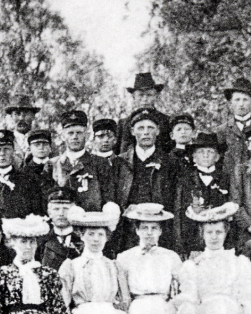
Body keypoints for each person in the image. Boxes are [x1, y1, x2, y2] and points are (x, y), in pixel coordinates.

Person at [175, 202, 251, 314]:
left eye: (219, 232)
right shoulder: (193, 266)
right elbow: (188, 301)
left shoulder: (238, 263)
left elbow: (248, 298)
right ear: (202, 234)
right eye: (209, 232)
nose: (214, 237)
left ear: (226, 233)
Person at [116, 204, 184, 314]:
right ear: (137, 230)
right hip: (138, 308)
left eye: (154, 228)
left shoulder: (171, 257)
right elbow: (124, 293)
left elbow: (181, 287)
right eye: (144, 228)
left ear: (160, 231)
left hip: (164, 308)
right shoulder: (125, 257)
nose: (149, 233)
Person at [116, 107, 179, 251]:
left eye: (150, 128)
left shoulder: (170, 162)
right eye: (141, 128)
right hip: (128, 231)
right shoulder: (120, 162)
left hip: (161, 230)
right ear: (132, 131)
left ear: (158, 131)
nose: (145, 132)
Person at [0, 129, 45, 249]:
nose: (2, 154)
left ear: (13, 151)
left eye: (6, 149)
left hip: (20, 244)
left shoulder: (28, 181)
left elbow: (37, 214)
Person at [175, 132, 231, 254]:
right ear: (194, 157)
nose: (205, 155)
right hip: (193, 243)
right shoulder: (185, 180)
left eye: (210, 152)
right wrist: (185, 248)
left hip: (221, 243)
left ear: (217, 157)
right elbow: (180, 214)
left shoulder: (226, 179)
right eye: (201, 152)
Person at [53, 110, 116, 211]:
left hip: (91, 221)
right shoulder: (53, 164)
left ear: (86, 135)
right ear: (63, 136)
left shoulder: (100, 163)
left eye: (79, 133)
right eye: (70, 133)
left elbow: (108, 199)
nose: (75, 137)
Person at [116, 72, 173, 154]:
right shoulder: (123, 123)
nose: (145, 99)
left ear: (156, 96)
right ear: (134, 97)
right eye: (141, 95)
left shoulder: (167, 121)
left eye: (149, 95)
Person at [216, 77, 251, 168]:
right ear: (230, 103)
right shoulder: (222, 130)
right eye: (237, 100)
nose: (241, 104)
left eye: (245, 100)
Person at [36, 187, 84, 273]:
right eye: (56, 209)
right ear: (49, 213)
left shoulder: (84, 240)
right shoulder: (41, 242)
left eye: (66, 209)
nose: (61, 214)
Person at [4, 95, 40, 170]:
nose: (21, 118)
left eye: (26, 114)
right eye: (17, 114)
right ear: (11, 117)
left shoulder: (43, 140)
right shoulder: (4, 139)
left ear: (33, 116)